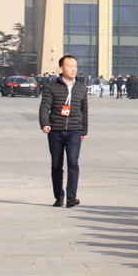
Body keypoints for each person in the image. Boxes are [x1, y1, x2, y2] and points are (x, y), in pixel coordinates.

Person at [39, 54, 89, 208]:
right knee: (56, 164)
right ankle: (59, 197)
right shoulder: (52, 87)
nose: (73, 69)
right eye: (69, 66)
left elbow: (84, 110)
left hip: (74, 131)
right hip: (56, 131)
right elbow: (44, 107)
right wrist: (45, 123)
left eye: (75, 66)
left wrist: (83, 131)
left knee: (73, 163)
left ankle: (71, 197)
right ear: (62, 68)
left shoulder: (81, 88)